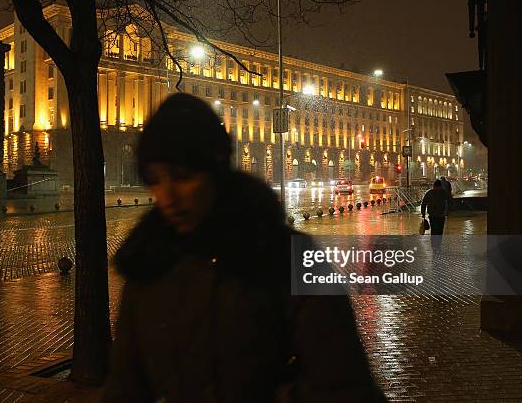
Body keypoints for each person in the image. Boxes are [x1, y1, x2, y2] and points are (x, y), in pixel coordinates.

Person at [101, 93, 386, 402]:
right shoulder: (147, 264)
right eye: (155, 180)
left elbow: (342, 384)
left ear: (216, 170)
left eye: (183, 177)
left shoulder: (287, 257)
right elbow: (125, 386)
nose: (167, 196)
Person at [421, 179, 450, 251]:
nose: (437, 189)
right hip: (433, 215)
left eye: (438, 187)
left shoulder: (443, 193)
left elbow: (450, 202)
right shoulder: (431, 193)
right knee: (435, 230)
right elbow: (424, 203)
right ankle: (435, 246)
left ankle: (437, 245)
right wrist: (423, 214)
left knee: (439, 231)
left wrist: (447, 212)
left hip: (440, 215)